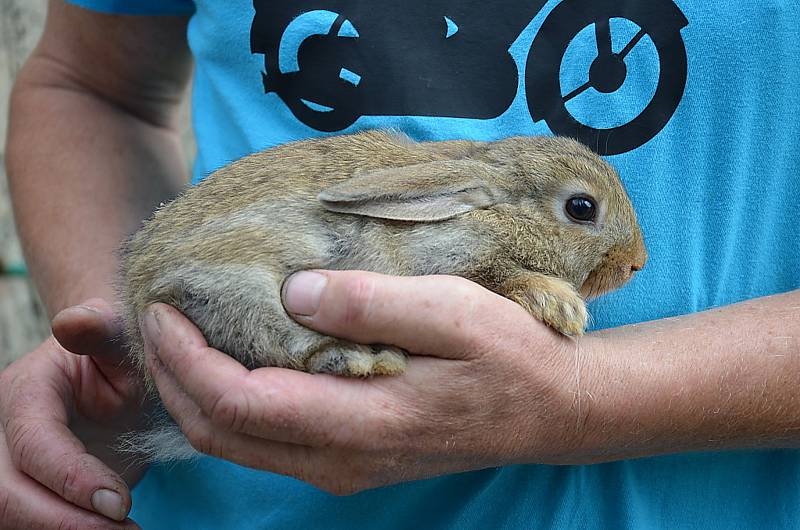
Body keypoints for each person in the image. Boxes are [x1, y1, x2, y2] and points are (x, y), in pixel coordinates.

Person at [1, 0, 798, 528]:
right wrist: (137, 358)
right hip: (234, 495)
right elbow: (89, 84)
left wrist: (590, 399)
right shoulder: (440, 199)